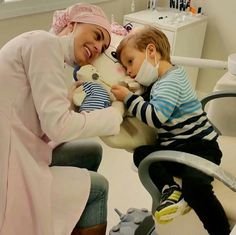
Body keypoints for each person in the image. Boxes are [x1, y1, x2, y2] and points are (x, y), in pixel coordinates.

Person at [0, 3, 124, 235]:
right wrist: (113, 115)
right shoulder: (44, 44)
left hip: (21, 147)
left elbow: (40, 119)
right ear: (72, 24)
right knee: (99, 188)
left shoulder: (45, 50)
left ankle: (71, 217)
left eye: (103, 46)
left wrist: (69, 103)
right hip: (9, 164)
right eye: (96, 36)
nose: (97, 47)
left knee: (91, 151)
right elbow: (57, 127)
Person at [111, 26, 230, 235]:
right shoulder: (160, 82)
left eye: (130, 61)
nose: (129, 71)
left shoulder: (170, 81)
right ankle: (171, 189)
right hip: (175, 150)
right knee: (142, 155)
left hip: (200, 148)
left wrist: (128, 98)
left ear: (151, 51)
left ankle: (218, 230)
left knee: (195, 187)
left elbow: (156, 118)